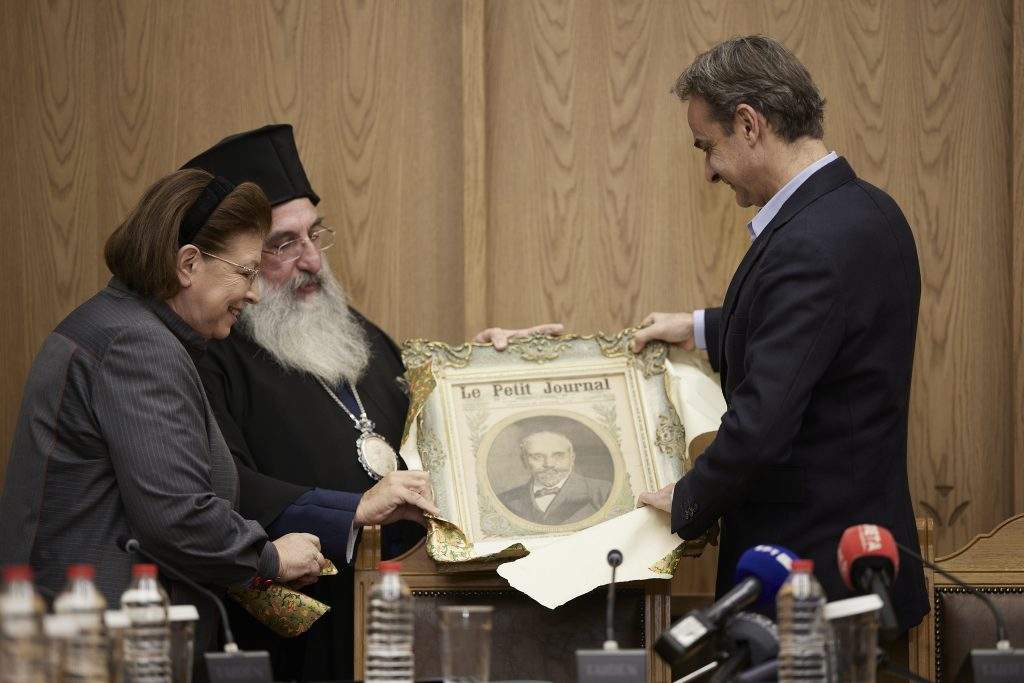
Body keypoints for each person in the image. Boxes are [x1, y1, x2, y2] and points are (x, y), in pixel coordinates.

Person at [182, 125, 559, 681]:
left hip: (406, 621)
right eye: (283, 244)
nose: (312, 260)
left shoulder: (352, 333)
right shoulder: (209, 354)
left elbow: (424, 439)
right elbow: (221, 490)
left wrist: (481, 382)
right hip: (298, 642)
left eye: (315, 234)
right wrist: (352, 509)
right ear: (235, 259)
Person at [634, 36, 928, 634]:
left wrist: (688, 498)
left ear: (749, 124)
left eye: (707, 147)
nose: (708, 171)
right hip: (860, 557)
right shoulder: (867, 210)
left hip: (809, 583)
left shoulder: (809, 242)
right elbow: (823, 336)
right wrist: (699, 327)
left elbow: (763, 423)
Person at [0, 169, 328, 660]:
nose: (255, 293)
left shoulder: (119, 325)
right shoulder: (139, 346)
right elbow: (176, 517)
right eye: (245, 273)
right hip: (101, 647)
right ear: (188, 264)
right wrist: (270, 557)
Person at [498, 430, 612, 525]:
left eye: (558, 456)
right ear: (524, 461)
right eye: (537, 456)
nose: (549, 464)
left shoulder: (604, 491)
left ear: (572, 459)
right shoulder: (504, 500)